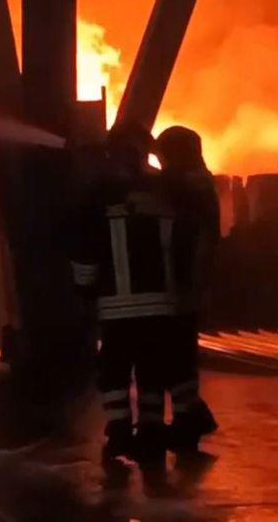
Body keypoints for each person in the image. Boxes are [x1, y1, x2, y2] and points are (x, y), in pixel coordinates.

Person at [70, 123, 177, 465]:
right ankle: (152, 432)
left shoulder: (99, 193)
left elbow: (84, 244)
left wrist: (84, 289)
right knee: (152, 370)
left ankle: (119, 433)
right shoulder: (163, 189)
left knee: (115, 371)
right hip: (160, 304)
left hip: (116, 306)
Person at [154, 126, 220, 453]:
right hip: (188, 283)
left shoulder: (186, 186)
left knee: (173, 357)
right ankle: (190, 417)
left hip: (181, 284)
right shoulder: (199, 183)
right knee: (180, 356)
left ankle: (190, 418)